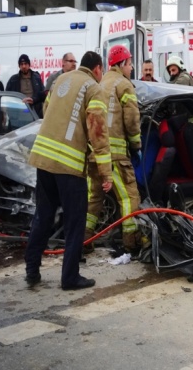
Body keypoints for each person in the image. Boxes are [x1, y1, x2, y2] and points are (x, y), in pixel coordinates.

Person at [24, 51, 112, 290]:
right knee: (75, 222)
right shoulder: (94, 89)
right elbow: (98, 132)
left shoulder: (61, 79)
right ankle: (70, 277)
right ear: (97, 69)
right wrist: (106, 173)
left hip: (44, 160)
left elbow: (47, 110)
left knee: (43, 216)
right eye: (101, 71)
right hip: (69, 167)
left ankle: (32, 269)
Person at [85, 45, 143, 255]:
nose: (131, 68)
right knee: (129, 198)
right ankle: (132, 243)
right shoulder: (124, 85)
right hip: (116, 156)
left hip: (95, 155)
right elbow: (132, 119)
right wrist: (136, 144)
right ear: (121, 64)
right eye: (129, 63)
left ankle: (83, 241)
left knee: (94, 200)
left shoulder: (99, 84)